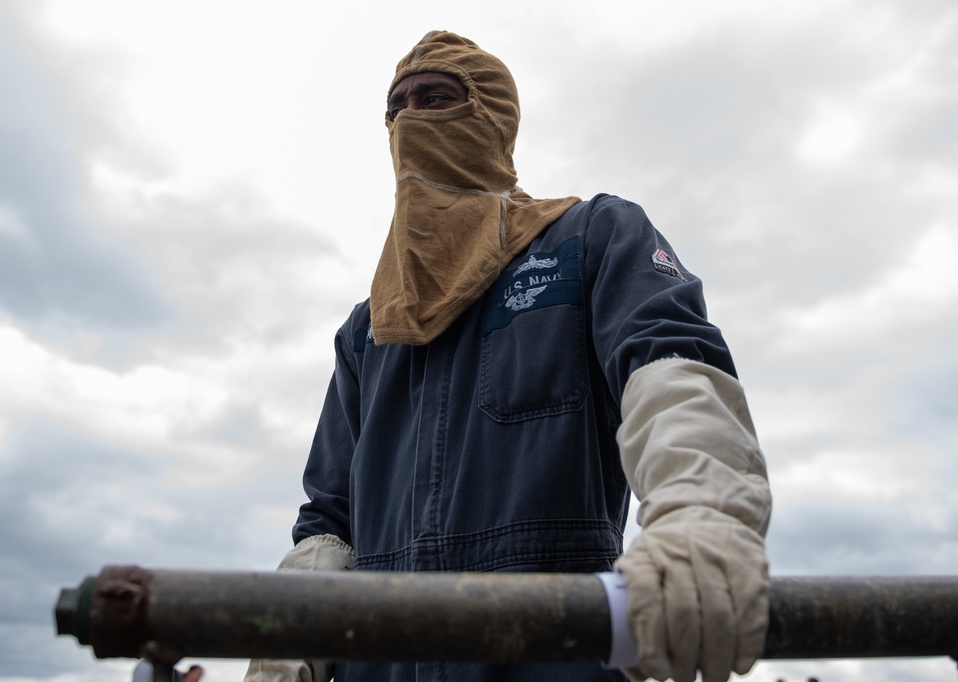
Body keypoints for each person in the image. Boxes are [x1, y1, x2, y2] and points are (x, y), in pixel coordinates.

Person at [245, 30, 770, 682]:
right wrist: (294, 631)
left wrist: (703, 514)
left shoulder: (590, 241)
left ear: (491, 118)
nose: (410, 120)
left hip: (554, 651)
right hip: (381, 663)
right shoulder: (369, 331)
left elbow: (672, 373)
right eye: (396, 108)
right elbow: (330, 520)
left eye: (436, 98)